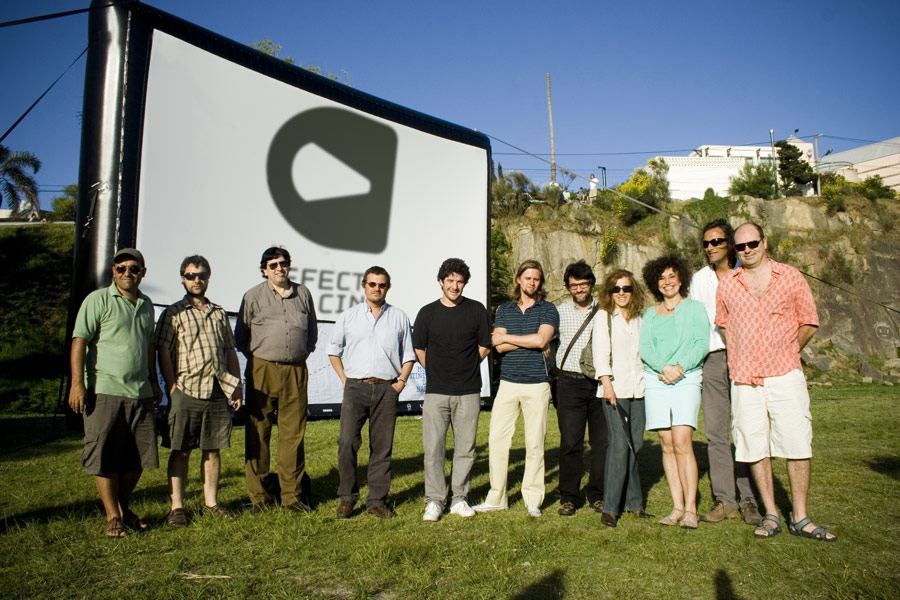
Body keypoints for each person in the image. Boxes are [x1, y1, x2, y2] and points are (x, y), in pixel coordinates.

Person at [716, 223, 836, 541]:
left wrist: (787, 349)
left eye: (752, 243)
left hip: (785, 374)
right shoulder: (728, 284)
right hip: (744, 378)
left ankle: (800, 516)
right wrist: (741, 355)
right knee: (754, 446)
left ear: (765, 242)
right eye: (740, 247)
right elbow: (724, 325)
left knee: (796, 443)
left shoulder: (791, 277)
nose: (747, 250)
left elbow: (809, 320)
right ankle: (770, 513)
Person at [69, 248, 162, 538]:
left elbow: (148, 346)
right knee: (105, 455)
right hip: (104, 389)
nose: (127, 273)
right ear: (113, 271)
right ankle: (112, 516)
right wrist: (77, 384)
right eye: (120, 268)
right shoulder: (97, 300)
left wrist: (154, 380)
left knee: (138, 459)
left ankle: (123, 508)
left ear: (142, 273)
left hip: (141, 392)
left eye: (133, 269)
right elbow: (80, 342)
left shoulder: (147, 305)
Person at [154, 255, 244, 527]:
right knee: (181, 449)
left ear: (208, 277)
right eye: (191, 275)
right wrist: (171, 388)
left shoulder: (218, 312)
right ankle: (177, 508)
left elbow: (230, 350)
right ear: (182, 278)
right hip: (186, 388)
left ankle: (211, 502)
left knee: (212, 449)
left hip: (217, 389)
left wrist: (236, 385)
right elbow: (163, 351)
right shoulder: (173, 312)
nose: (197, 280)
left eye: (201, 275)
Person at [235, 247, 317, 513]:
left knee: (293, 434)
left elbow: (312, 332)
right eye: (273, 265)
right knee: (259, 432)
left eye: (283, 263)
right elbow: (241, 336)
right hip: (262, 369)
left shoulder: (303, 293)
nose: (279, 268)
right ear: (264, 270)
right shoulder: (253, 296)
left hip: (295, 370)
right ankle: (259, 498)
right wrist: (261, 357)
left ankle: (291, 497)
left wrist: (300, 351)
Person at [690, 219, 762, 526]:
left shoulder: (747, 274)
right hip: (713, 359)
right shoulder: (699, 280)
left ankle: (750, 500)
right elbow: (695, 322)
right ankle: (724, 500)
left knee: (746, 428)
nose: (710, 248)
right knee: (716, 433)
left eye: (717, 241)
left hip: (746, 356)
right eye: (706, 243)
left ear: (729, 243)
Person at [328, 266, 415, 519]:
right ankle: (347, 497)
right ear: (364, 286)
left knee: (382, 447)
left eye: (382, 285)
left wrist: (400, 383)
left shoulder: (399, 317)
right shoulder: (349, 316)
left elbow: (408, 355)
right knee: (347, 442)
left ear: (388, 287)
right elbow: (333, 350)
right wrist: (345, 380)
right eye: (372, 284)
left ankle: (376, 500)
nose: (377, 288)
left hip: (387, 389)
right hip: (356, 387)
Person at [474, 260, 559, 517]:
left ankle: (533, 498)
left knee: (535, 443)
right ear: (518, 280)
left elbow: (541, 339)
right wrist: (528, 341)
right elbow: (497, 347)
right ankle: (497, 497)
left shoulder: (548, 309)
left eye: (536, 279)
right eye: (527, 278)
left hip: (537, 385)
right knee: (497, 441)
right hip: (508, 384)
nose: (532, 282)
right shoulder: (504, 309)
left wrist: (510, 337)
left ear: (540, 283)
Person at [414, 258, 491, 521]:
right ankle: (434, 500)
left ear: (464, 283)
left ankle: (459, 498)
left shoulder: (477, 310)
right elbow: (419, 348)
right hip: (436, 391)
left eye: (459, 281)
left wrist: (467, 365)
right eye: (450, 281)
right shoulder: (427, 312)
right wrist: (436, 369)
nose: (455, 286)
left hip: (468, 390)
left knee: (465, 449)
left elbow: (485, 345)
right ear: (441, 282)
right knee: (434, 449)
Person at [640, 255, 709, 529]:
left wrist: (680, 367)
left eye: (671, 276)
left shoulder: (695, 309)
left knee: (682, 442)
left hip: (687, 378)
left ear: (681, 278)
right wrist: (663, 368)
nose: (667, 282)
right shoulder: (649, 313)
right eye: (662, 278)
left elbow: (701, 343)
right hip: (657, 379)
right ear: (655, 283)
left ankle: (691, 509)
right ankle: (677, 507)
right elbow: (645, 348)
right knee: (666, 445)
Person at [592, 269, 653, 527]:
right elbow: (600, 353)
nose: (621, 293)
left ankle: (634, 503)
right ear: (609, 292)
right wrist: (606, 383)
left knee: (635, 445)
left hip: (639, 389)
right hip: (614, 389)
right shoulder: (604, 317)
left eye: (626, 288)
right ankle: (610, 506)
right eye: (616, 289)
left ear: (633, 291)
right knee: (619, 445)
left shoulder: (641, 318)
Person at [554, 260, 606, 517]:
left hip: (599, 383)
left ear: (591, 284)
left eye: (583, 284)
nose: (579, 289)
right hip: (570, 383)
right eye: (574, 285)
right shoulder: (559, 311)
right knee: (571, 442)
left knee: (601, 443)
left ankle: (597, 494)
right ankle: (569, 497)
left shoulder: (605, 310)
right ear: (568, 287)